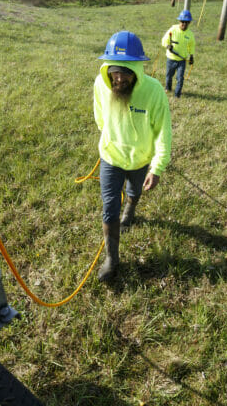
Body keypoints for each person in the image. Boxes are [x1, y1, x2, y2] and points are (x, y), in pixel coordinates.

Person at [93, 31, 172, 281]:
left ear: (137, 69)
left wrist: (157, 167)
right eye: (114, 71)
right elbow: (100, 119)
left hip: (140, 160)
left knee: (134, 192)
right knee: (109, 209)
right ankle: (112, 259)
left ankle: (131, 210)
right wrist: (114, 138)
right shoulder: (100, 84)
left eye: (126, 72)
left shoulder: (154, 91)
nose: (119, 78)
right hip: (111, 157)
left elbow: (163, 131)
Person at [161, 10, 196, 98]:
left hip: (182, 60)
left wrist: (191, 56)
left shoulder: (190, 34)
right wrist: (167, 45)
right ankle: (168, 88)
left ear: (189, 23)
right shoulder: (173, 29)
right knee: (169, 76)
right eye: (182, 22)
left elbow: (192, 45)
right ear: (179, 21)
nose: (184, 24)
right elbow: (164, 40)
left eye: (187, 22)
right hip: (171, 59)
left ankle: (177, 94)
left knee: (180, 78)